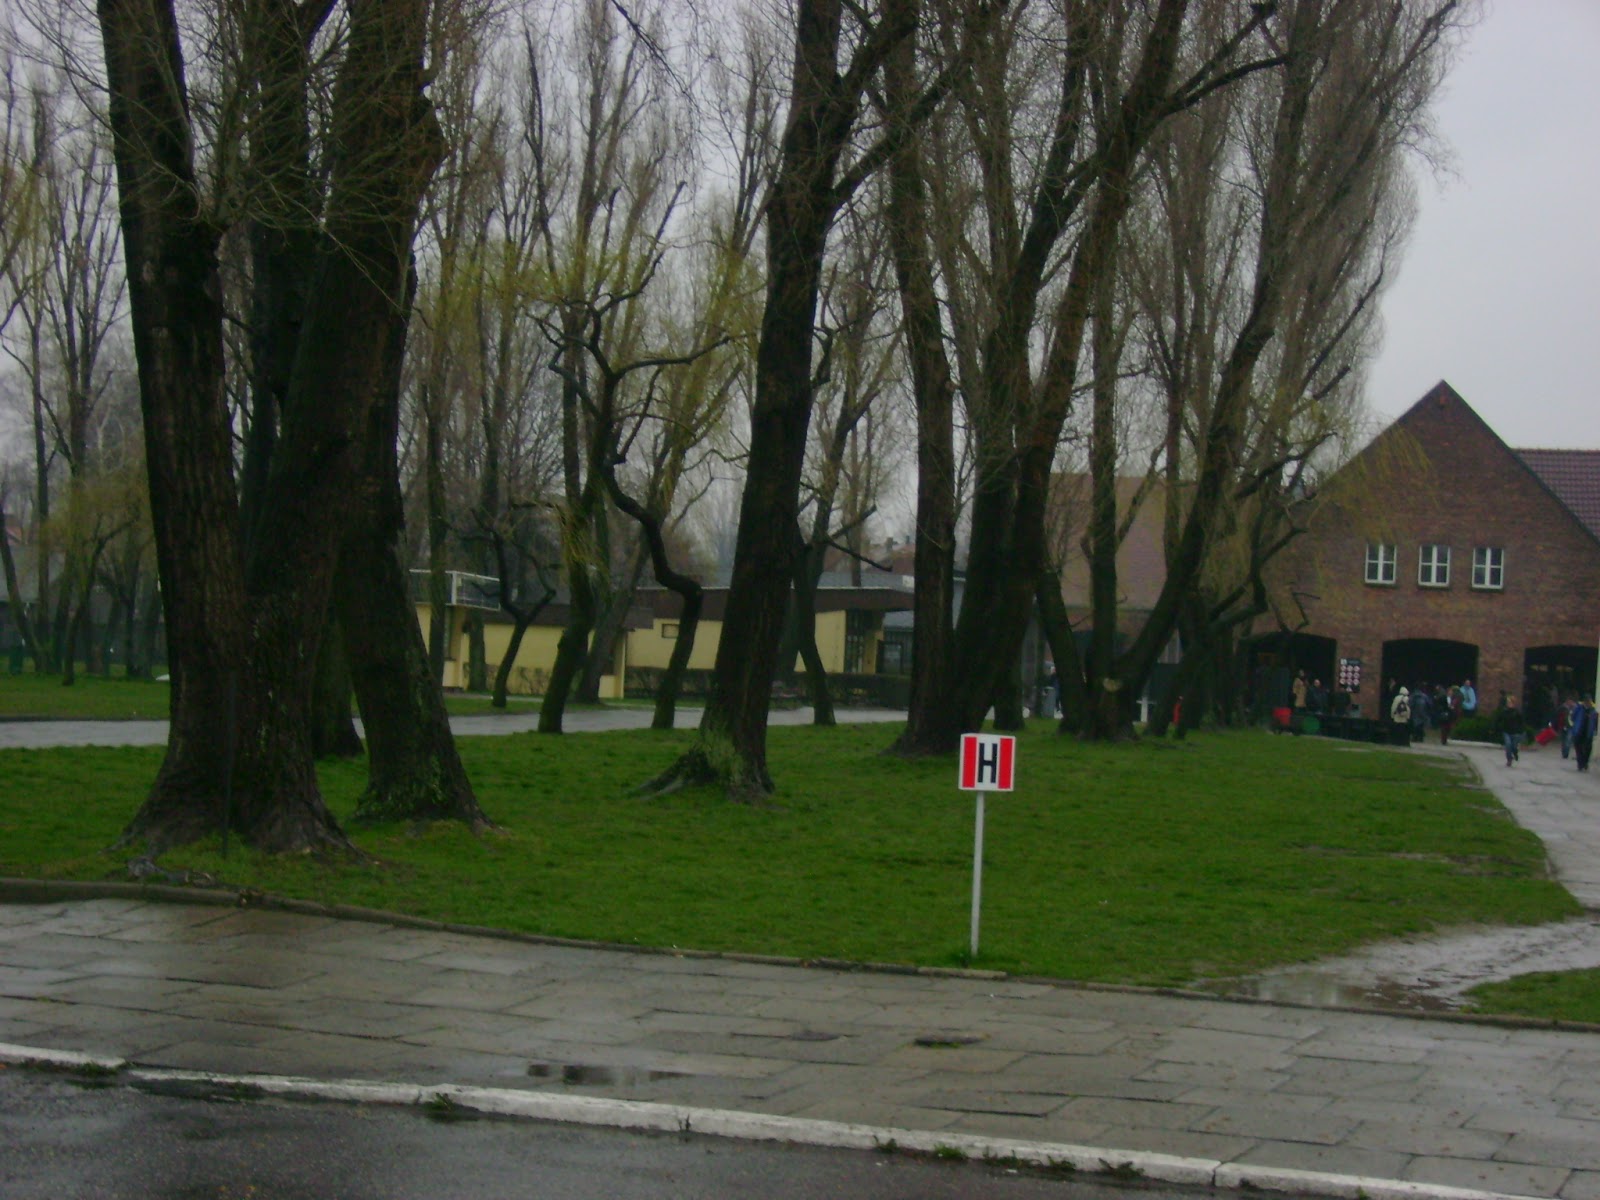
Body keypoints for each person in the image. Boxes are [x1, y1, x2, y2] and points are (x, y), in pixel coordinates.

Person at [1493, 695, 1526, 767]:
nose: (1509, 704)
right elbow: (1498, 720)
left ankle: (1515, 753)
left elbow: (1521, 722)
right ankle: (1509, 759)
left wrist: (1521, 731)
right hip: (1506, 731)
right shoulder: (1504, 712)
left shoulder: (1517, 712)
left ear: (1514, 703)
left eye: (1510, 702)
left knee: (1514, 746)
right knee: (1508, 745)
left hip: (1515, 732)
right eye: (1508, 702)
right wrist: (1496, 728)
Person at [1573, 696, 1597, 772]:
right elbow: (1573, 716)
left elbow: (1595, 720)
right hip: (1579, 731)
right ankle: (1580, 764)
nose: (1589, 704)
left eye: (1590, 702)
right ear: (1584, 702)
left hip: (1588, 732)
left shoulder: (1593, 710)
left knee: (1588, 749)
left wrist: (1594, 730)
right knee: (1578, 748)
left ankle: (1585, 763)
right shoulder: (1579, 708)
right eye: (1588, 702)